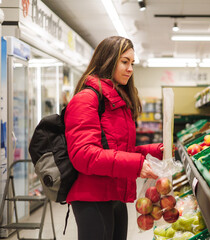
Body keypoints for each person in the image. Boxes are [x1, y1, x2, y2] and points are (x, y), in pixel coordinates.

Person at [64, 36, 163, 240]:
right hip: (92, 197)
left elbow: (121, 151)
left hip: (114, 192)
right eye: (124, 62)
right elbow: (84, 155)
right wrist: (136, 165)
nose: (130, 69)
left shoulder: (118, 102)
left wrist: (158, 151)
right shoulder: (87, 99)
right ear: (107, 61)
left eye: (132, 63)